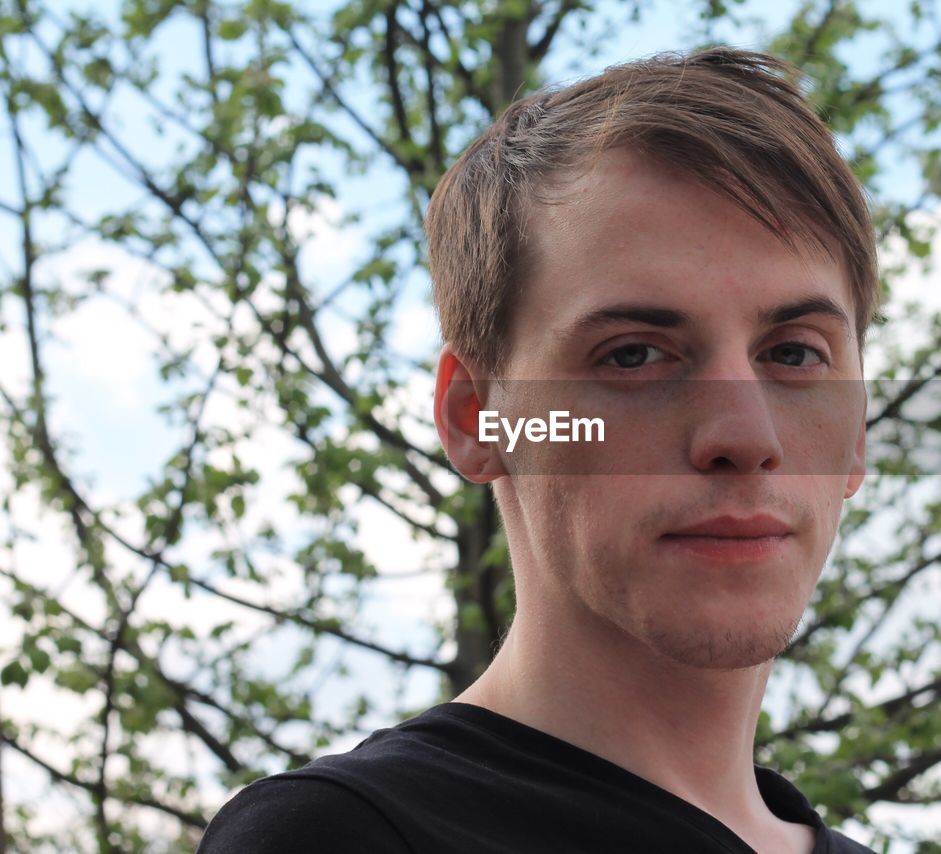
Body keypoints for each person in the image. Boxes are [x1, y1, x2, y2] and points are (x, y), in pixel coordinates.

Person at [200, 46, 878, 854]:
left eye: (795, 354)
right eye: (633, 355)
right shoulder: (343, 839)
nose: (746, 437)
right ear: (476, 416)